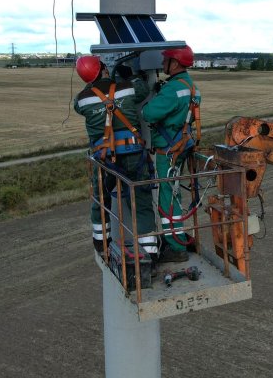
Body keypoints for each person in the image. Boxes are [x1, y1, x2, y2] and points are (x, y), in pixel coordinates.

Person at [73, 55, 157, 259]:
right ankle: (150, 252)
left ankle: (102, 245)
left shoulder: (82, 100)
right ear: (104, 70)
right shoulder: (127, 88)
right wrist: (132, 76)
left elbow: (79, 107)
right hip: (132, 155)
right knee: (141, 199)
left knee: (100, 200)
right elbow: (144, 89)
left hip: (104, 160)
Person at [141, 45, 201, 264]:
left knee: (167, 197)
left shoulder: (172, 90)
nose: (162, 64)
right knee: (173, 194)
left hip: (168, 151)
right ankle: (177, 236)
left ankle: (175, 247)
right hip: (182, 146)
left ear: (174, 63)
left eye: (165, 60)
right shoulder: (191, 86)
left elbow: (149, 113)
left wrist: (153, 99)